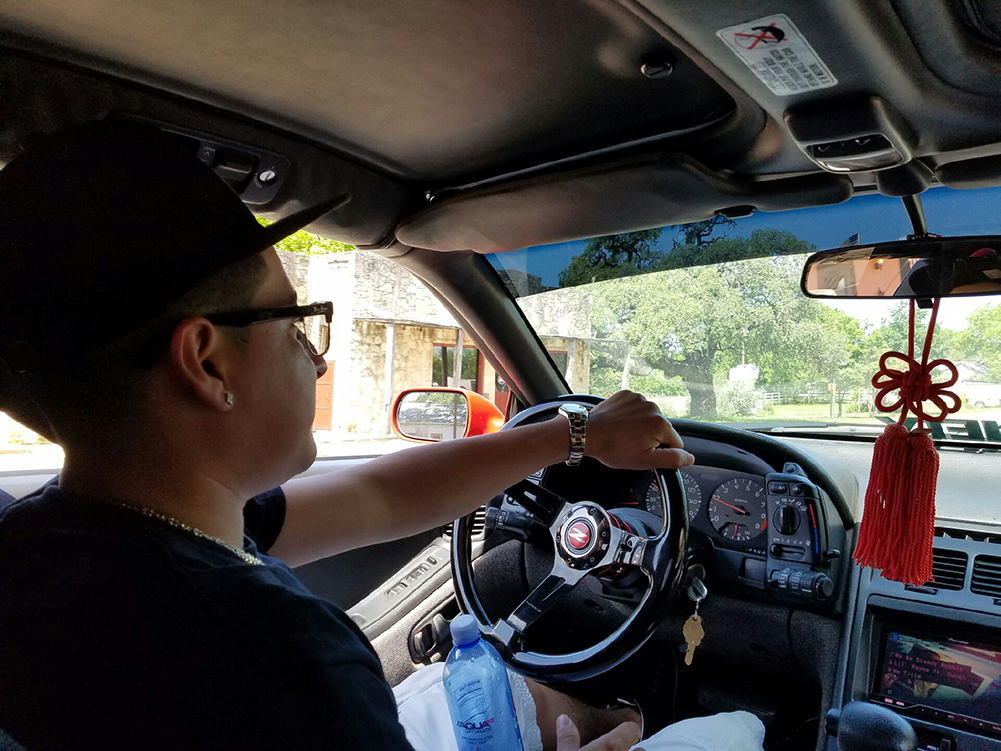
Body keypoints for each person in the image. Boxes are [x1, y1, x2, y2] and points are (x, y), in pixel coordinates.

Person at [0, 122, 764, 750]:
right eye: (293, 319)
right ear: (205, 361)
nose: (311, 348)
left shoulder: (50, 541)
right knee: (731, 734)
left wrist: (573, 434)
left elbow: (374, 493)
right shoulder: (284, 657)